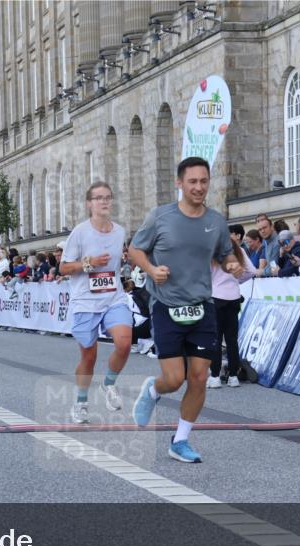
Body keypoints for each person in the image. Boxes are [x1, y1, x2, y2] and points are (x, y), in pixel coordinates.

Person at [127, 157, 236, 464]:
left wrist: (231, 264)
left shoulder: (215, 221)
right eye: (192, 182)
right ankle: (152, 390)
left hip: (202, 307)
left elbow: (224, 254)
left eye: (204, 181)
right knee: (174, 379)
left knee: (199, 378)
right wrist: (150, 269)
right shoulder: (160, 217)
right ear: (180, 183)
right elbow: (135, 249)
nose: (199, 187)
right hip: (166, 305)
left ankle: (181, 440)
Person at [59, 181, 133, 423]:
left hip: (113, 297)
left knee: (124, 342)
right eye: (98, 198)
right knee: (89, 356)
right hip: (85, 302)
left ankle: (108, 384)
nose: (104, 201)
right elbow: (63, 268)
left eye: (107, 197)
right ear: (89, 203)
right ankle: (81, 402)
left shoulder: (120, 231)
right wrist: (89, 263)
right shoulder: (80, 232)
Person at [209, 237, 255, 389]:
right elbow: (251, 271)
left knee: (215, 339)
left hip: (216, 297)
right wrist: (237, 280)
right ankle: (233, 376)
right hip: (234, 297)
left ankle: (215, 376)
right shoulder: (239, 251)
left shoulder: (213, 253)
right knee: (232, 339)